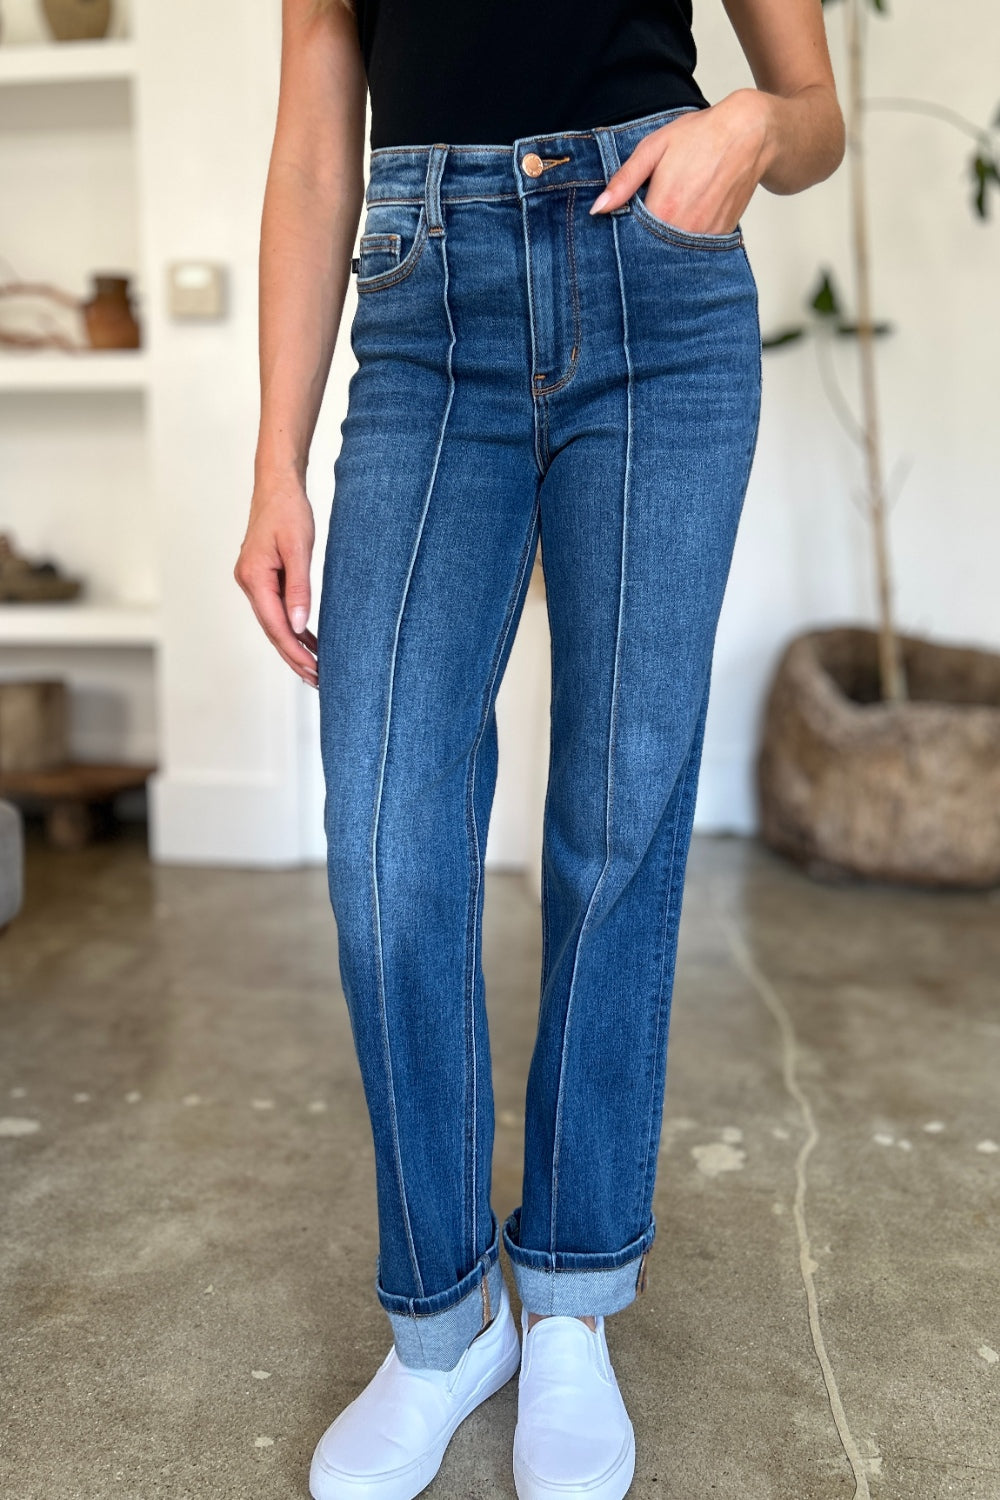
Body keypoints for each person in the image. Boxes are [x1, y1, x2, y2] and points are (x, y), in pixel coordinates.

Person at [235, 1, 844, 1495]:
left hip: (660, 297)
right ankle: (445, 1326)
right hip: (426, 302)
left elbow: (815, 110)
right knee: (385, 841)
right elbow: (319, 132)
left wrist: (755, 129)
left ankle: (569, 1301)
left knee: (620, 824)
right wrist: (274, 460)